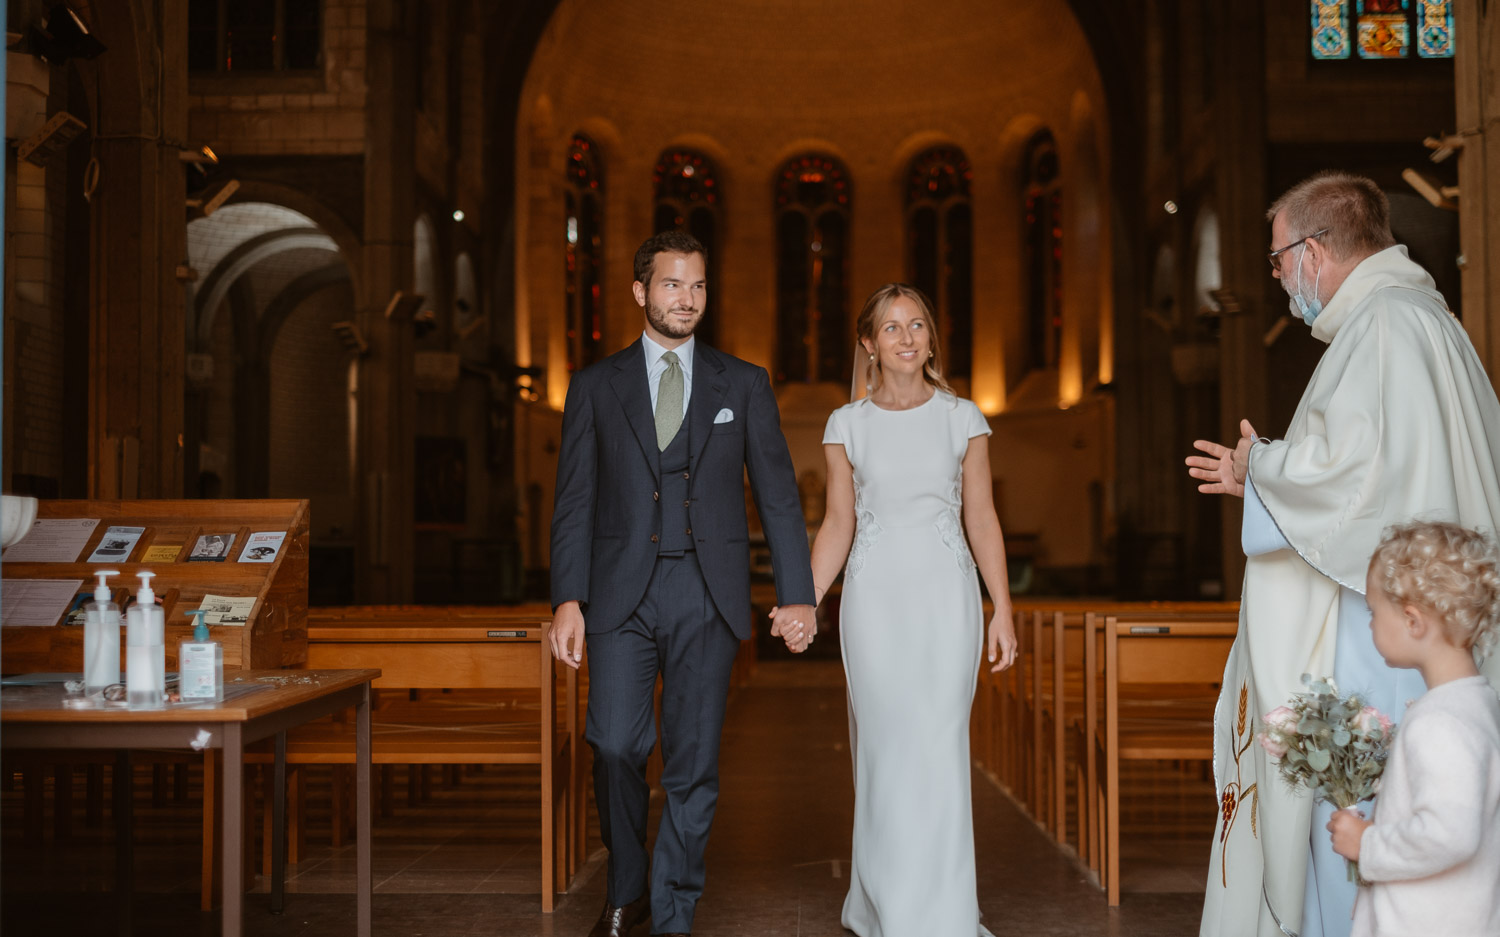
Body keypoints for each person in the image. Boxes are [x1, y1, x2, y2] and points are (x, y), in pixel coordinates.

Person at [1188, 171, 1500, 937]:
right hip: (1427, 623)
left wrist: (1261, 465)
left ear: (1314, 251)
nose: (1278, 277)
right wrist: (1264, 478)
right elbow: (1371, 473)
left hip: (1382, 638)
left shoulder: (1384, 326)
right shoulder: (1428, 319)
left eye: (1275, 259)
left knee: (1357, 807)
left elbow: (1342, 477)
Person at [548, 230, 816, 937]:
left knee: (693, 765)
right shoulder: (594, 386)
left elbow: (780, 494)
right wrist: (567, 597)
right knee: (611, 743)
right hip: (617, 594)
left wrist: (797, 593)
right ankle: (628, 879)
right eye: (672, 284)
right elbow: (574, 498)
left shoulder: (744, 382)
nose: (686, 299)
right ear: (640, 291)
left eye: (697, 286)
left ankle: (670, 911)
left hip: (710, 592)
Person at [794, 282, 1018, 936]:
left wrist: (1000, 606)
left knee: (939, 746)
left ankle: (942, 913)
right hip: (874, 603)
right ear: (868, 343)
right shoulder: (847, 424)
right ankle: (879, 902)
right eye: (891, 327)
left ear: (930, 338)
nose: (907, 337)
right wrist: (804, 601)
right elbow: (838, 524)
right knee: (886, 751)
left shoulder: (963, 417)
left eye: (917, 324)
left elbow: (982, 518)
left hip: (947, 601)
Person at [1327, 521, 1500, 937]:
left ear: (1413, 621)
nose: (1370, 625)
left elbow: (1451, 835)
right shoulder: (1479, 702)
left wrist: (1367, 844)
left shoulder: (1441, 722)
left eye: (1373, 612)